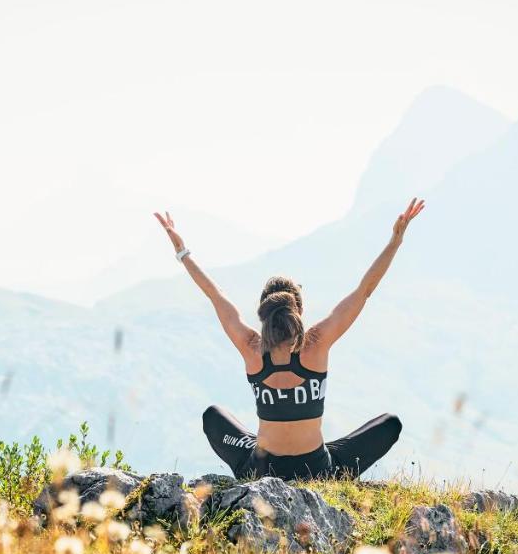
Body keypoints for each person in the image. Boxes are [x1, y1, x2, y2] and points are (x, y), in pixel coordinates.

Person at [153, 198, 425, 481]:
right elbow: (364, 290)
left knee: (213, 416)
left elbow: (215, 294)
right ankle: (325, 459)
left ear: (263, 314)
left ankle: (265, 460)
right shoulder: (316, 343)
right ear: (300, 311)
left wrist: (182, 252)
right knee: (389, 425)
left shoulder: (251, 349)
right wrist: (395, 240)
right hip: (317, 469)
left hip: (261, 470)